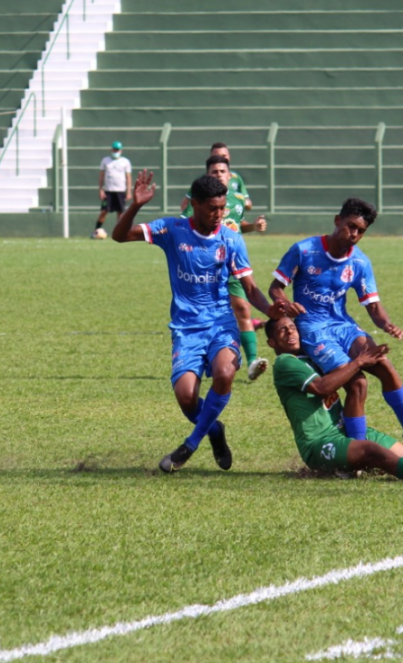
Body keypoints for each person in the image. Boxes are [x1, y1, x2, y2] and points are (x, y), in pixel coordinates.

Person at [113, 170, 290, 473]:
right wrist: (136, 205)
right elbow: (119, 236)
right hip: (186, 328)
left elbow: (250, 288)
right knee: (186, 397)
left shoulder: (231, 239)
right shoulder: (172, 229)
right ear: (194, 204)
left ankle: (190, 444)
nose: (219, 214)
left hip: (221, 323)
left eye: (222, 208)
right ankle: (214, 430)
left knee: (224, 373)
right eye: (212, 208)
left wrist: (270, 308)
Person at [268, 198, 403, 455]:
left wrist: (387, 324)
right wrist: (286, 304)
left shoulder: (360, 262)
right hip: (313, 329)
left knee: (384, 365)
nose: (354, 234)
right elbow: (275, 288)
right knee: (357, 384)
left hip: (343, 326)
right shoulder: (304, 250)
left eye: (361, 231)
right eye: (351, 226)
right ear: (337, 220)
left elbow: (373, 306)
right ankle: (359, 452)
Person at [265, 316, 403, 484]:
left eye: (292, 328)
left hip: (345, 431)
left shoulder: (315, 356)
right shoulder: (285, 362)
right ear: (272, 343)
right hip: (320, 443)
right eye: (283, 331)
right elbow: (321, 388)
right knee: (371, 451)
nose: (290, 333)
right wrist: (359, 361)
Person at [181, 156, 269, 380]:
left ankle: (252, 360)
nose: (219, 175)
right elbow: (186, 224)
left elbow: (237, 226)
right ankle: (202, 358)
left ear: (230, 175)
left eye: (222, 171)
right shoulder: (200, 201)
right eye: (214, 172)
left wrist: (253, 227)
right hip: (206, 267)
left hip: (231, 263)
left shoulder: (237, 200)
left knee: (243, 308)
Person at [94, 141, 132, 239]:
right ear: (111, 149)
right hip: (108, 191)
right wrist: (101, 190)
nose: (116, 151)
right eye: (114, 149)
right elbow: (101, 176)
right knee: (103, 211)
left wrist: (129, 192)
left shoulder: (125, 162)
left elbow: (128, 177)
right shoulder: (105, 160)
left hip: (120, 191)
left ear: (121, 151)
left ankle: (119, 234)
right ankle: (95, 232)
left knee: (120, 213)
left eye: (117, 150)